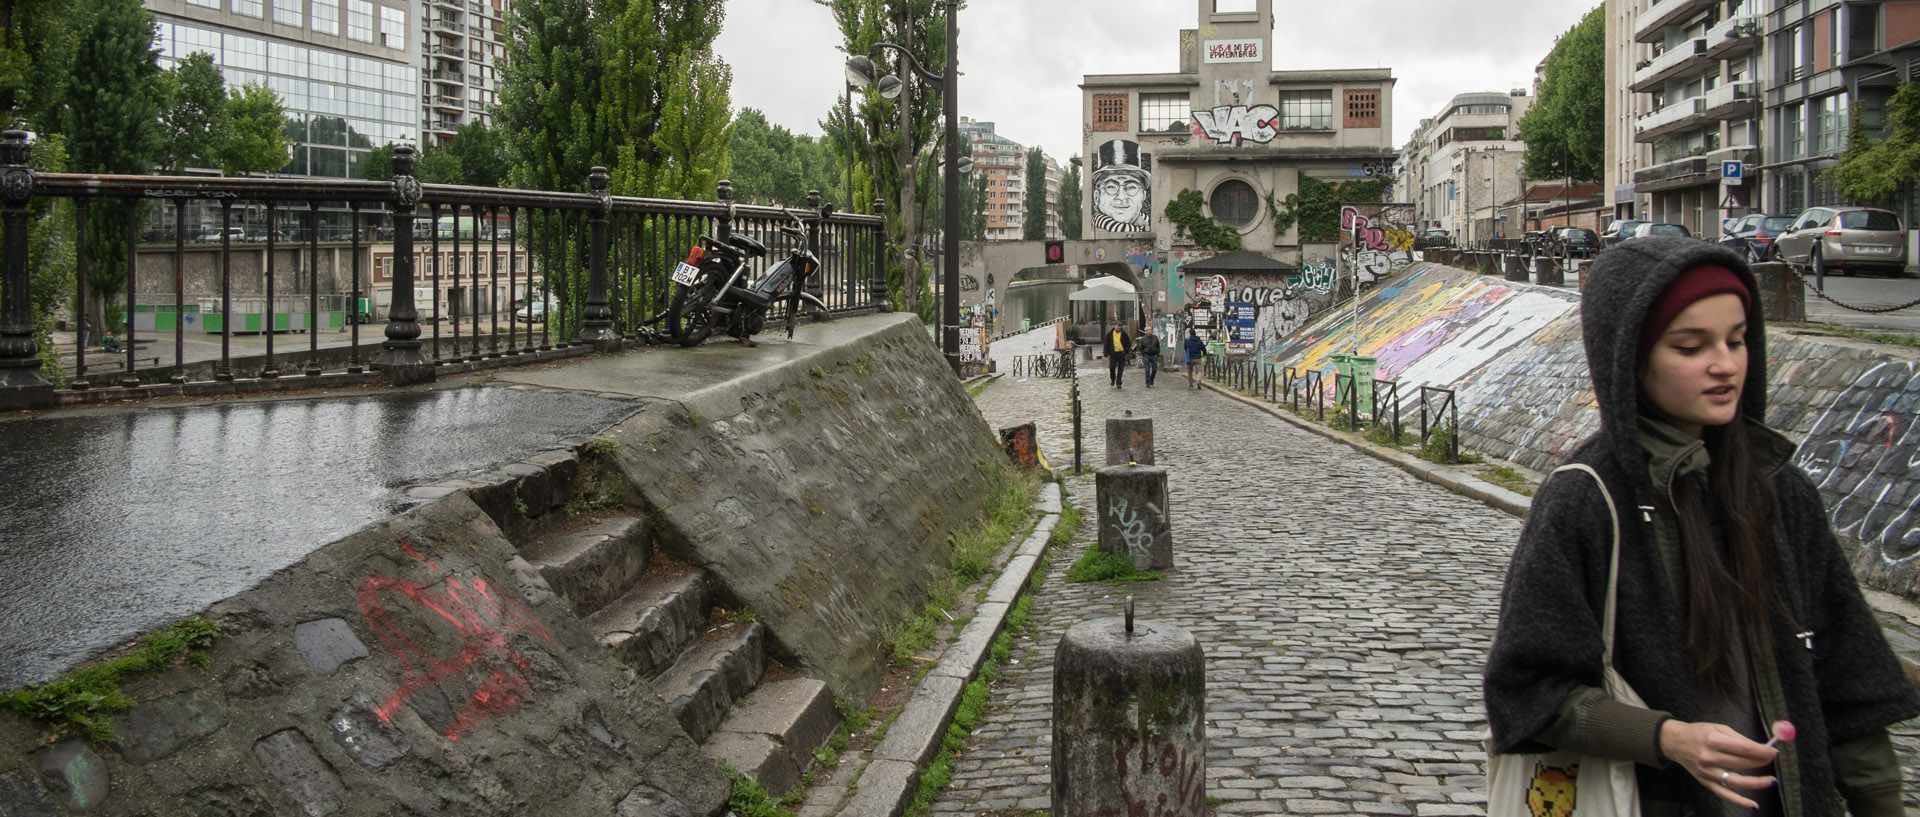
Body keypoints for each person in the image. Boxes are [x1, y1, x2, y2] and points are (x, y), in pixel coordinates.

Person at [1484, 237, 1919, 816]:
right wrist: (1667, 738)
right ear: (1630, 359)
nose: (1725, 364)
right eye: (1691, 347)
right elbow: (1528, 691)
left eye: (1737, 341)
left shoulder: (1780, 490)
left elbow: (1848, 677)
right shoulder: (1585, 499)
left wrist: (1879, 802)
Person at [1105, 324, 1132, 388]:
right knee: (1112, 367)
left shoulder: (1124, 334)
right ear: (1114, 327)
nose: (1118, 330)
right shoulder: (1109, 334)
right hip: (1113, 353)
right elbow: (1106, 344)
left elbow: (1128, 343)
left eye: (1119, 329)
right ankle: (1113, 378)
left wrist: (1126, 350)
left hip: (1121, 353)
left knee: (1121, 368)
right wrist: (1106, 352)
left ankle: (1118, 382)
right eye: (1117, 328)